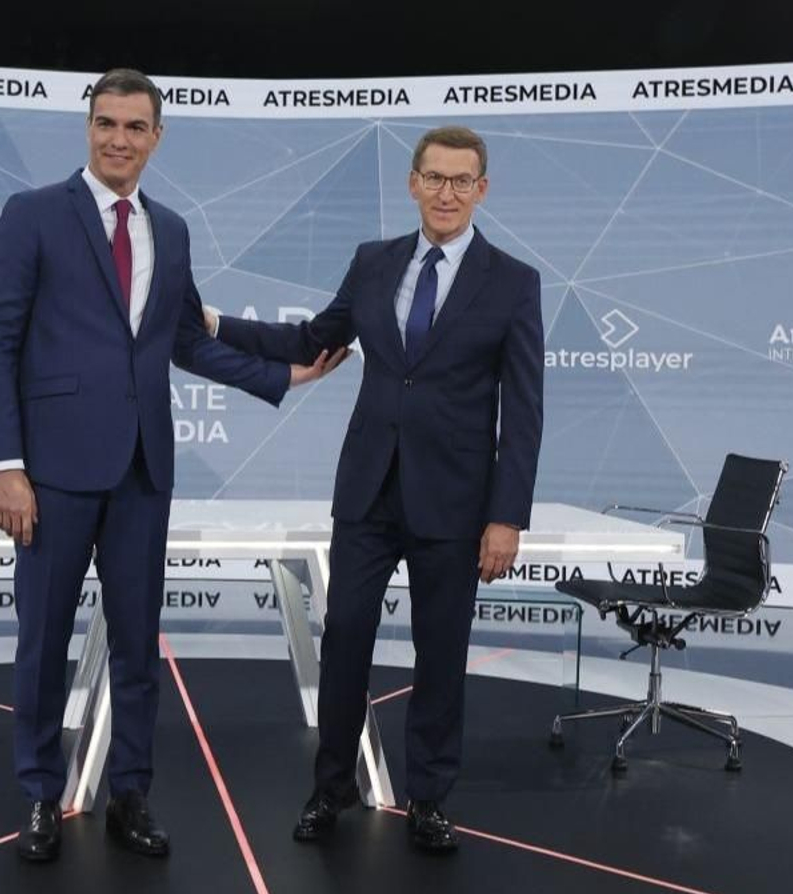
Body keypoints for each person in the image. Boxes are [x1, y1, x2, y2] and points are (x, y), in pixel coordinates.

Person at [0, 68, 344, 863]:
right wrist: (6, 464)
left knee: (140, 644)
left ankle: (129, 792)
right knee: (42, 640)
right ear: (88, 126)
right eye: (106, 123)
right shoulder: (32, 215)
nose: (118, 139)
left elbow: (186, 340)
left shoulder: (170, 230)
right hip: (52, 474)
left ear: (157, 137)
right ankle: (41, 791)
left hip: (143, 471)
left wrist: (287, 375)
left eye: (135, 127)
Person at [206, 125, 544, 853]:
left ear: (482, 189)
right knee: (347, 641)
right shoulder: (373, 262)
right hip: (366, 494)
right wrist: (212, 322)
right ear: (412, 183)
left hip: (456, 503)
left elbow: (524, 411)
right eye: (435, 178)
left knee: (440, 653)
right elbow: (312, 342)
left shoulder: (515, 282)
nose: (447, 192)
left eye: (463, 181)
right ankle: (331, 787)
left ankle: (427, 797)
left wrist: (507, 516)